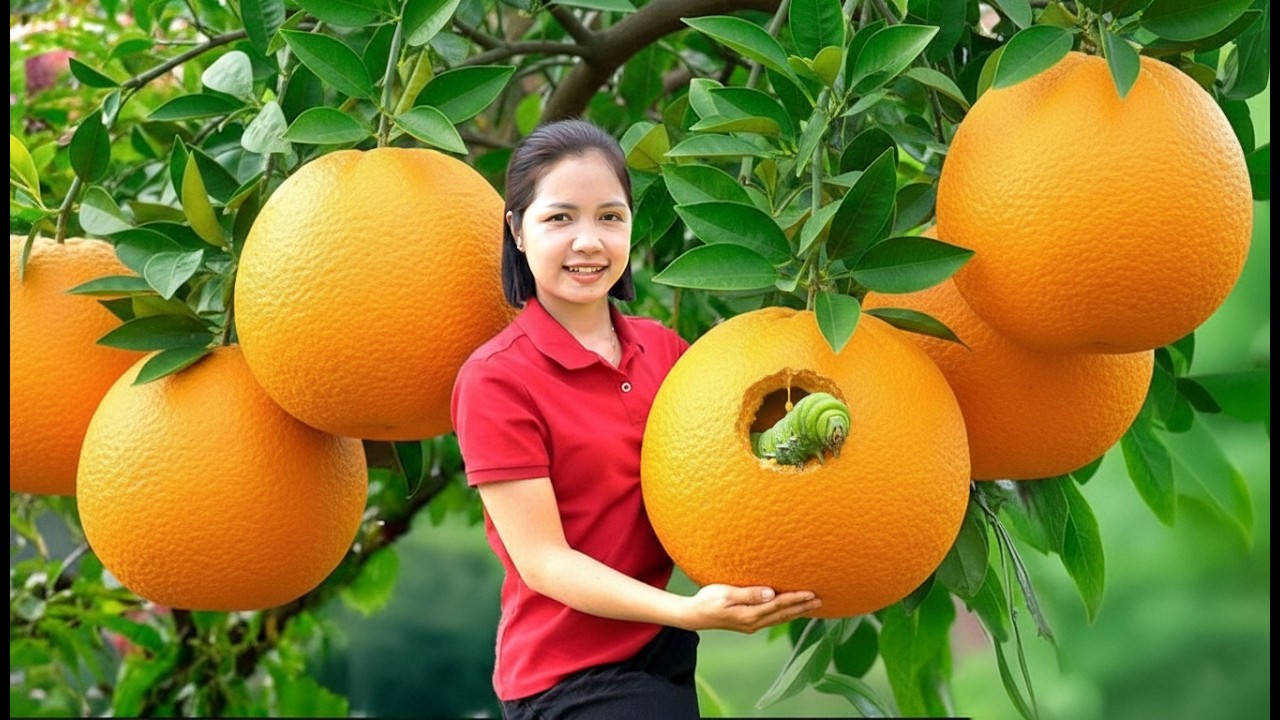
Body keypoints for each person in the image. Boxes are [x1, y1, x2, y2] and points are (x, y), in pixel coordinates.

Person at [450, 119, 823, 720]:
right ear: (518, 232)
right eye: (560, 218)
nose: (589, 241)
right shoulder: (495, 379)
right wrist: (686, 609)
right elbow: (544, 561)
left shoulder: (666, 353)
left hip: (661, 655)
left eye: (610, 217)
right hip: (565, 679)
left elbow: (733, 471)